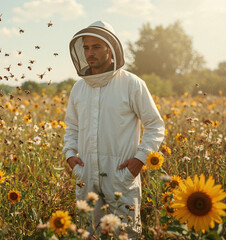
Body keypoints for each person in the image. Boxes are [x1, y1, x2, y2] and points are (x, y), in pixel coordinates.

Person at [63, 20, 165, 238]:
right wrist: (70, 157)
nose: (90, 53)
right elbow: (72, 126)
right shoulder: (79, 88)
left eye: (96, 47)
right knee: (87, 233)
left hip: (121, 174)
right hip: (86, 174)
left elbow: (155, 125)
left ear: (111, 49)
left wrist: (139, 160)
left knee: (126, 234)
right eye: (86, 48)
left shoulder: (131, 84)